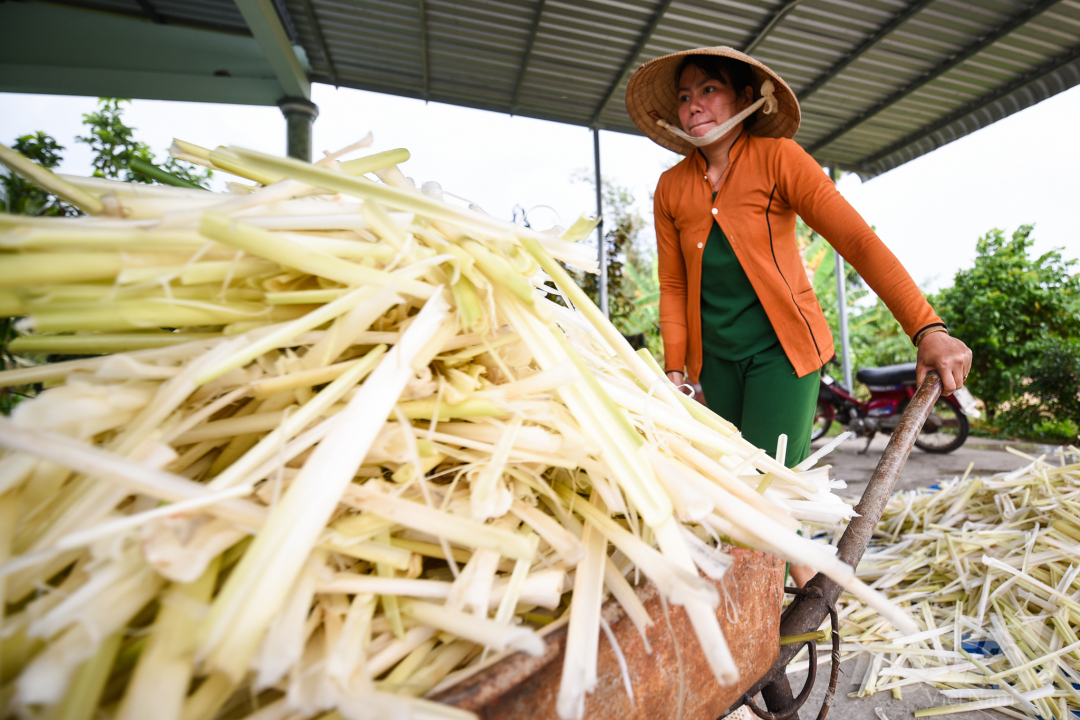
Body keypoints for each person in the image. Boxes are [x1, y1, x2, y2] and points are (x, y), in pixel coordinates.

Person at [625, 47, 972, 587]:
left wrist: (927, 328)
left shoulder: (779, 158)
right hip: (712, 362)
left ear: (744, 98)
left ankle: (799, 601)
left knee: (770, 489)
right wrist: (675, 370)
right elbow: (672, 286)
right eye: (685, 96)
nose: (693, 104)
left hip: (782, 355)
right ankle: (790, 593)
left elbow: (856, 239)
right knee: (732, 493)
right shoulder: (672, 186)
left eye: (708, 89)